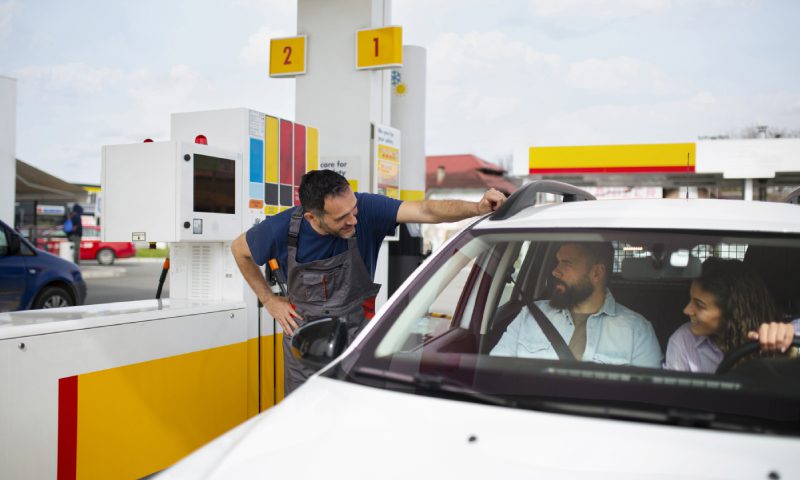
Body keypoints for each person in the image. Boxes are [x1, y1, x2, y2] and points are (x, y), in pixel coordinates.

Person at [231, 169, 506, 394]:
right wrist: (269, 300)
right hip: (304, 347)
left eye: (354, 210)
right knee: (306, 417)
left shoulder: (367, 209)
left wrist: (477, 207)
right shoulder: (282, 229)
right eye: (341, 218)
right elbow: (239, 250)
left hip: (357, 339)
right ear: (313, 217)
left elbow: (426, 210)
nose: (353, 220)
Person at [491, 242, 662, 367]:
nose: (555, 271)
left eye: (566, 263)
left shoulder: (637, 331)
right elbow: (494, 374)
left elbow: (646, 399)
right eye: (557, 262)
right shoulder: (530, 316)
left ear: (596, 273)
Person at [664, 257, 798, 373]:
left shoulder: (773, 331)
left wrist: (787, 334)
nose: (686, 310)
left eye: (699, 305)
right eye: (690, 299)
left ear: (731, 312)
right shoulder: (683, 341)